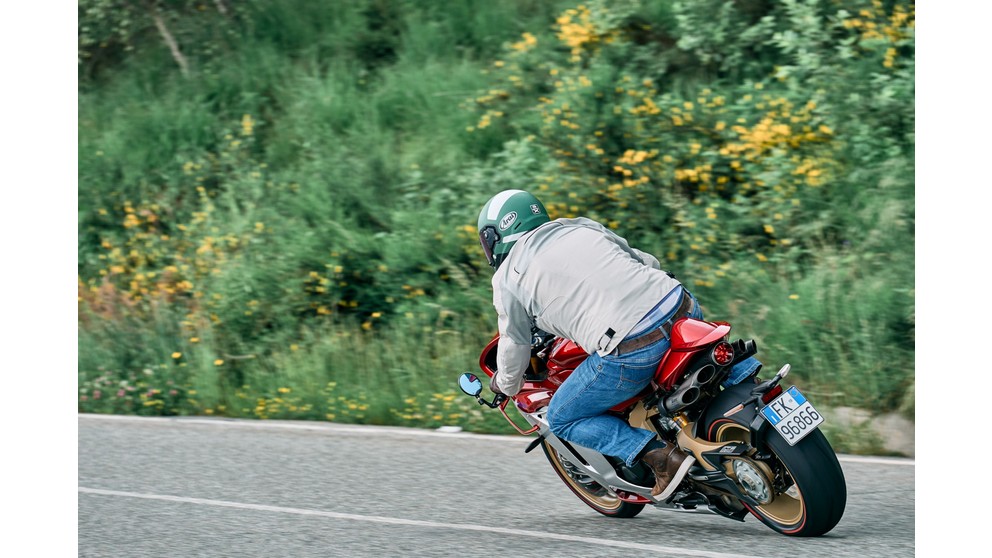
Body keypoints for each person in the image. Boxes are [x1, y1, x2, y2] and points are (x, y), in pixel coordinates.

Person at [477, 189, 762, 497]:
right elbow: (644, 261)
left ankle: (661, 457)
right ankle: (756, 387)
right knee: (710, 349)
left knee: (563, 417)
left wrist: (504, 385)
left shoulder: (507, 278)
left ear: (496, 236)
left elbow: (515, 342)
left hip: (632, 346)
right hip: (681, 305)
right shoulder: (578, 226)